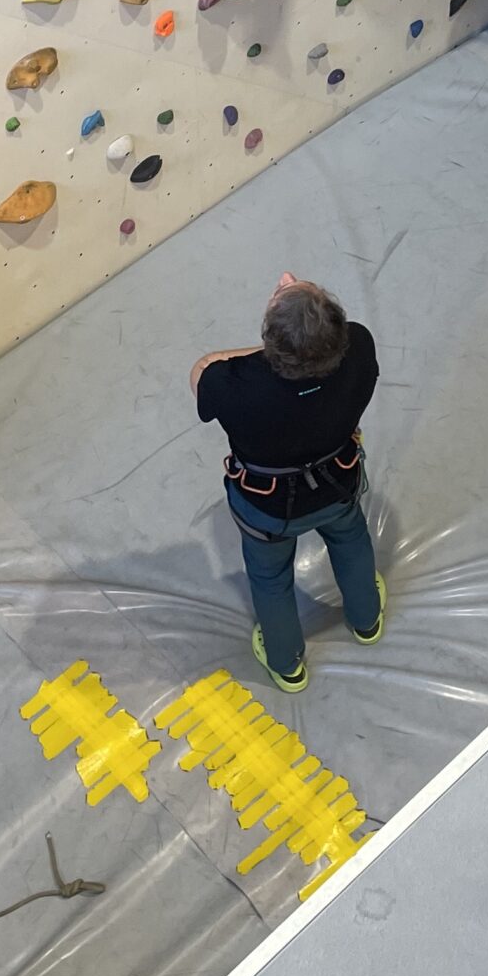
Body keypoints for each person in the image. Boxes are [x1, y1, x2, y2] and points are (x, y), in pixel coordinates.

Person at [191, 273, 384, 692]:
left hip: (268, 508)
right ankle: (366, 620)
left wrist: (276, 351)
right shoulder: (358, 346)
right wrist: (304, 341)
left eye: (287, 288)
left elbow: (202, 369)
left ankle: (287, 663)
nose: (285, 277)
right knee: (351, 540)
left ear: (271, 342)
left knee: (270, 578)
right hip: (338, 483)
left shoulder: (231, 385)